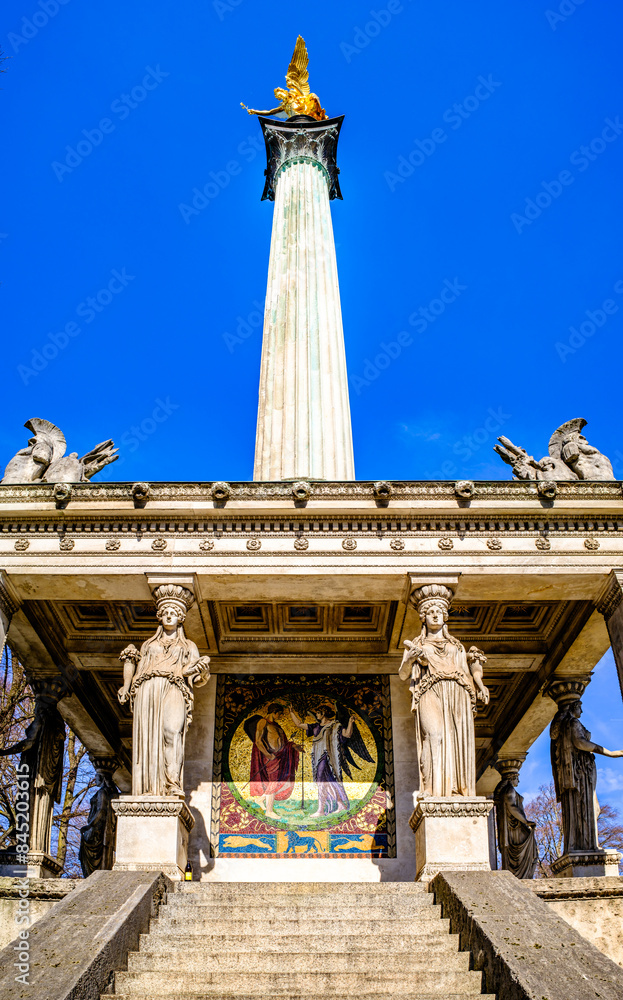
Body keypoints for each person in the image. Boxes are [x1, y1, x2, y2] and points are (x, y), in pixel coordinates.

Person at [118, 585, 210, 798]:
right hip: (148, 690)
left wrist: (203, 673)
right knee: (151, 738)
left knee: (171, 732)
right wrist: (126, 685)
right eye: (165, 613)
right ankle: (150, 787)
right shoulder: (148, 644)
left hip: (175, 687)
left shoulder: (188, 646)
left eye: (173, 614)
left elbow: (195, 676)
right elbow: (134, 665)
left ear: (180, 618)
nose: (169, 617)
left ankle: (172, 782)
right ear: (160, 617)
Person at [399, 585, 489, 797]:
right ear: (424, 618)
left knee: (455, 738)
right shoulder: (417, 644)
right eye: (430, 612)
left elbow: (469, 668)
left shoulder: (456, 645)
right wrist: (411, 658)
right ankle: (431, 789)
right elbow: (403, 674)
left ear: (445, 616)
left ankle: (456, 790)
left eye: (439, 612)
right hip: (429, 691)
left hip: (457, 693)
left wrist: (480, 683)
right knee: (434, 735)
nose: (435, 615)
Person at [550, 698, 623, 854]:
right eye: (580, 707)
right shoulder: (572, 723)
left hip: (578, 771)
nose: (581, 711)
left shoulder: (565, 725)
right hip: (580, 773)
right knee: (589, 807)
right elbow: (580, 743)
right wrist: (609, 753)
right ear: (573, 707)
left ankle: (586, 843)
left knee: (589, 807)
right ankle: (587, 845)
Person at [290, 703, 373, 817]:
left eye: (318, 713)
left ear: (323, 713)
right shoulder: (315, 726)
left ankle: (321, 810)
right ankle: (340, 804)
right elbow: (299, 724)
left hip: (328, 757)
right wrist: (291, 712)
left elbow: (347, 734)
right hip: (318, 758)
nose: (317, 715)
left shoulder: (335, 725)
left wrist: (350, 722)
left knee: (321, 782)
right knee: (328, 782)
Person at [244, 703, 300, 820]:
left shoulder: (276, 725)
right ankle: (269, 811)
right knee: (274, 781)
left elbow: (284, 742)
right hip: (270, 757)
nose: (280, 716)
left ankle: (261, 799)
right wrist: (268, 755)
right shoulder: (263, 722)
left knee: (281, 781)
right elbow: (258, 741)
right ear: (274, 711)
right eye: (280, 713)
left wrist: (294, 746)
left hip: (280, 756)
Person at [494, 765, 538, 879]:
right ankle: (520, 875)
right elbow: (512, 807)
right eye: (517, 777)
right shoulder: (509, 790)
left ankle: (520, 874)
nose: (518, 780)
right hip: (514, 828)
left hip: (513, 828)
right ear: (512, 778)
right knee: (530, 847)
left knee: (529, 849)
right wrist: (526, 821)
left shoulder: (507, 790)